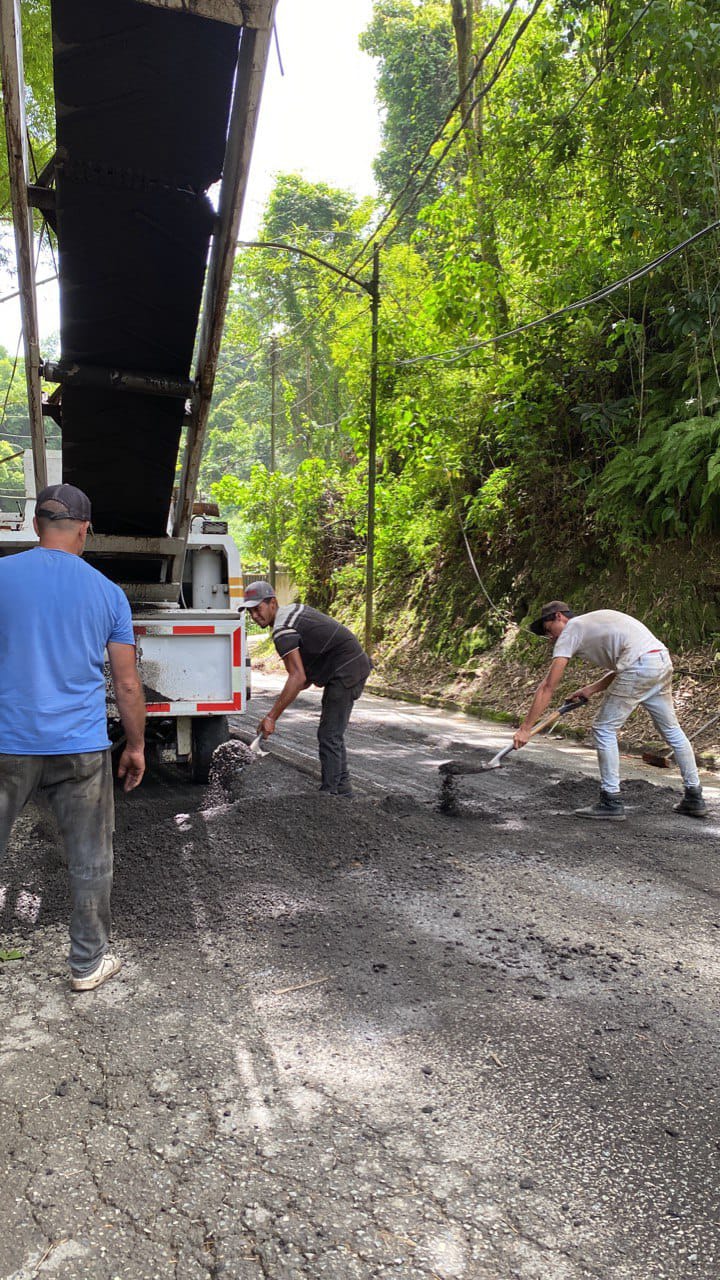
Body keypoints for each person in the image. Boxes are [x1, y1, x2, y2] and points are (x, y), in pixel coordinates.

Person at [0, 483, 146, 991]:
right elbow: (126, 682)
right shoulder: (108, 592)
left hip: (7, 740)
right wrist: (136, 746)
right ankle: (87, 965)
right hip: (80, 745)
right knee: (89, 856)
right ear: (85, 531)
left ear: (35, 524)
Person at [512, 600, 706, 821]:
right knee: (672, 731)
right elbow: (626, 663)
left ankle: (610, 800)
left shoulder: (571, 629)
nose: (552, 637)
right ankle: (694, 796)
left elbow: (548, 686)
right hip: (660, 661)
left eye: (549, 631)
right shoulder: (595, 622)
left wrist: (525, 728)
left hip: (640, 666)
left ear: (558, 617)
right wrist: (591, 689)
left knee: (603, 728)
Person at [239, 581, 371, 796]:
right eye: (251, 611)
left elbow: (298, 677)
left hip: (346, 670)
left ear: (273, 603)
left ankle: (330, 794)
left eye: (258, 608)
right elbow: (304, 676)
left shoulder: (282, 630)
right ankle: (343, 789)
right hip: (350, 664)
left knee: (329, 735)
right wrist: (288, 696)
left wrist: (272, 716)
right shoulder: (292, 612)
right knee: (332, 733)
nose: (254, 615)